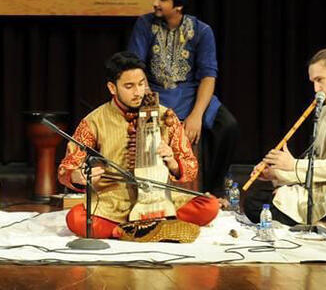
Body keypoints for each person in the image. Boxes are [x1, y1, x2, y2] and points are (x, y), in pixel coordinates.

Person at [57, 52, 219, 239]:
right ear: (112, 88)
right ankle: (148, 227)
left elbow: (190, 167)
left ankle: (130, 230)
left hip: (161, 198)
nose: (138, 92)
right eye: (129, 86)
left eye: (142, 84)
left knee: (209, 205)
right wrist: (79, 176)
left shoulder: (166, 116)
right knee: (76, 219)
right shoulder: (94, 121)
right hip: (115, 202)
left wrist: (173, 163)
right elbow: (66, 170)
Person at [127, 0, 239, 195]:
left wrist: (196, 115)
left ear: (178, 5)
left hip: (191, 95)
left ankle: (213, 191)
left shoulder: (201, 31)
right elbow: (135, 65)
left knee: (228, 126)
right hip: (155, 93)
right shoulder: (144, 25)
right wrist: (148, 99)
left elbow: (208, 76)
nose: (155, 3)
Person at [244, 46, 326, 225]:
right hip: (324, 186)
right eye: (313, 82)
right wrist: (277, 174)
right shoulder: (325, 111)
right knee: (255, 201)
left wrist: (293, 165)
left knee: (266, 207)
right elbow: (317, 160)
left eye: (320, 80)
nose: (316, 89)